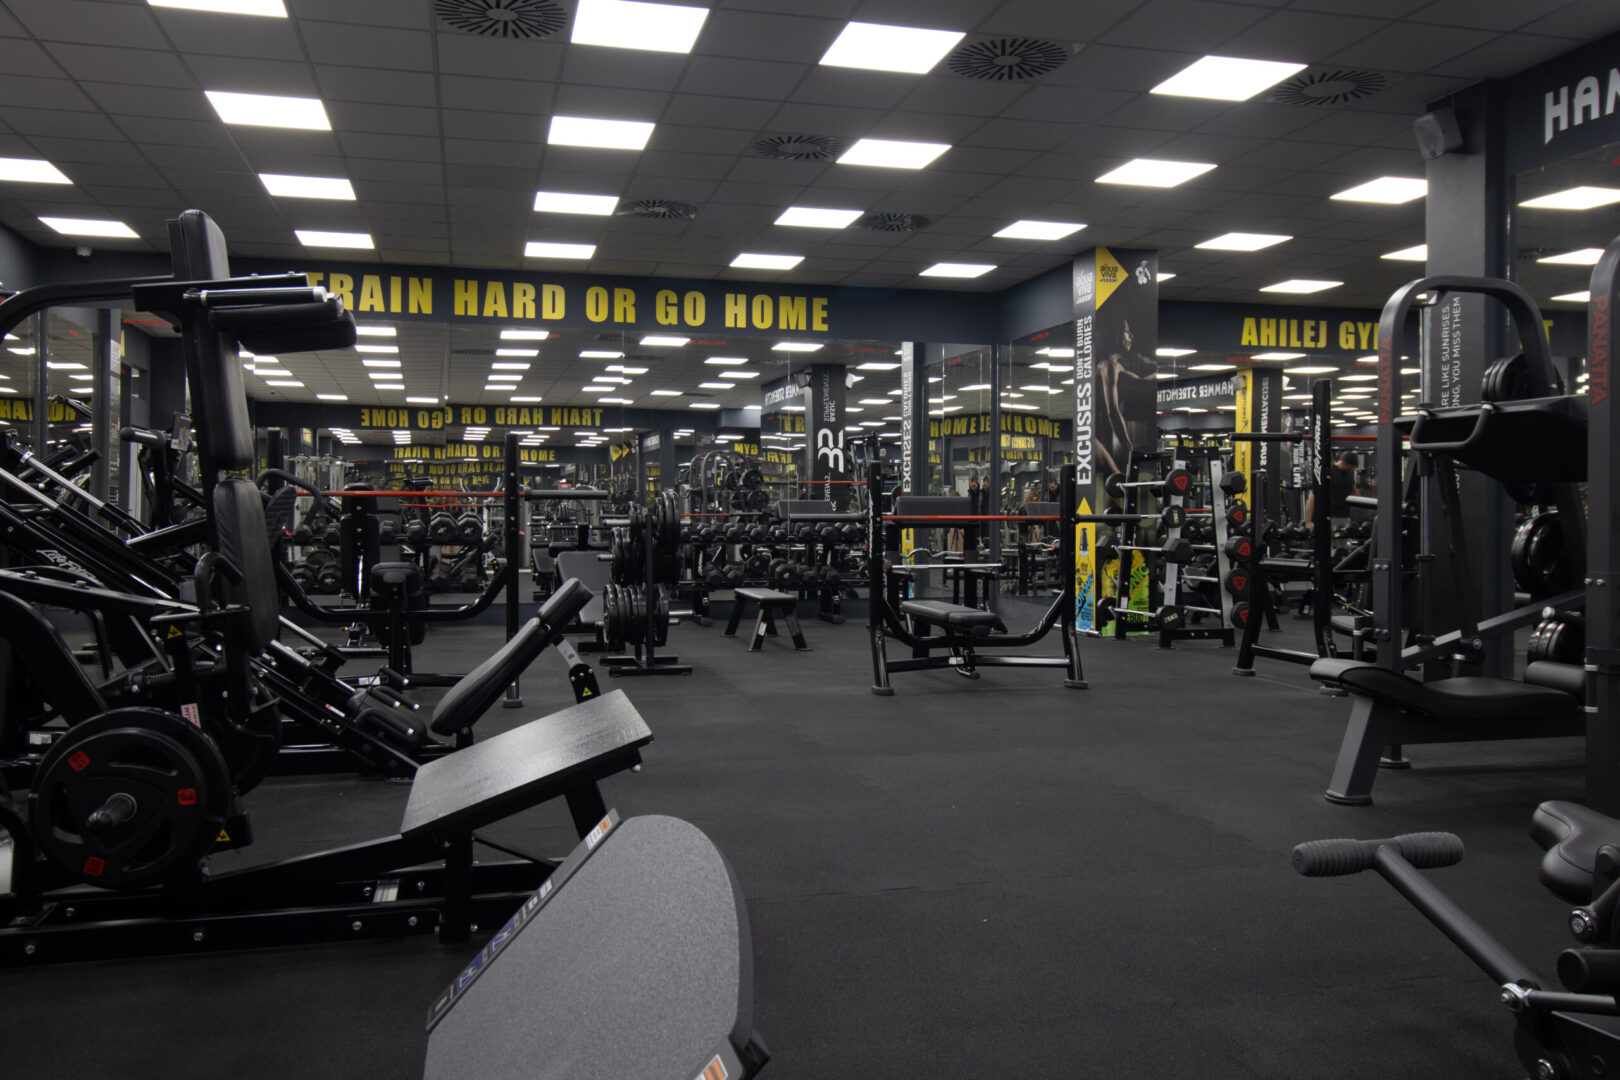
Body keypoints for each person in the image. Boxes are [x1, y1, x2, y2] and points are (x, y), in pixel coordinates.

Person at [1305, 452, 1360, 530]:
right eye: (1351, 467)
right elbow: (1313, 497)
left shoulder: (1349, 474)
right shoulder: (1328, 473)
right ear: (1344, 463)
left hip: (1345, 517)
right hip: (1329, 517)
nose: (1351, 470)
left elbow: (1354, 492)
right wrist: (1308, 521)